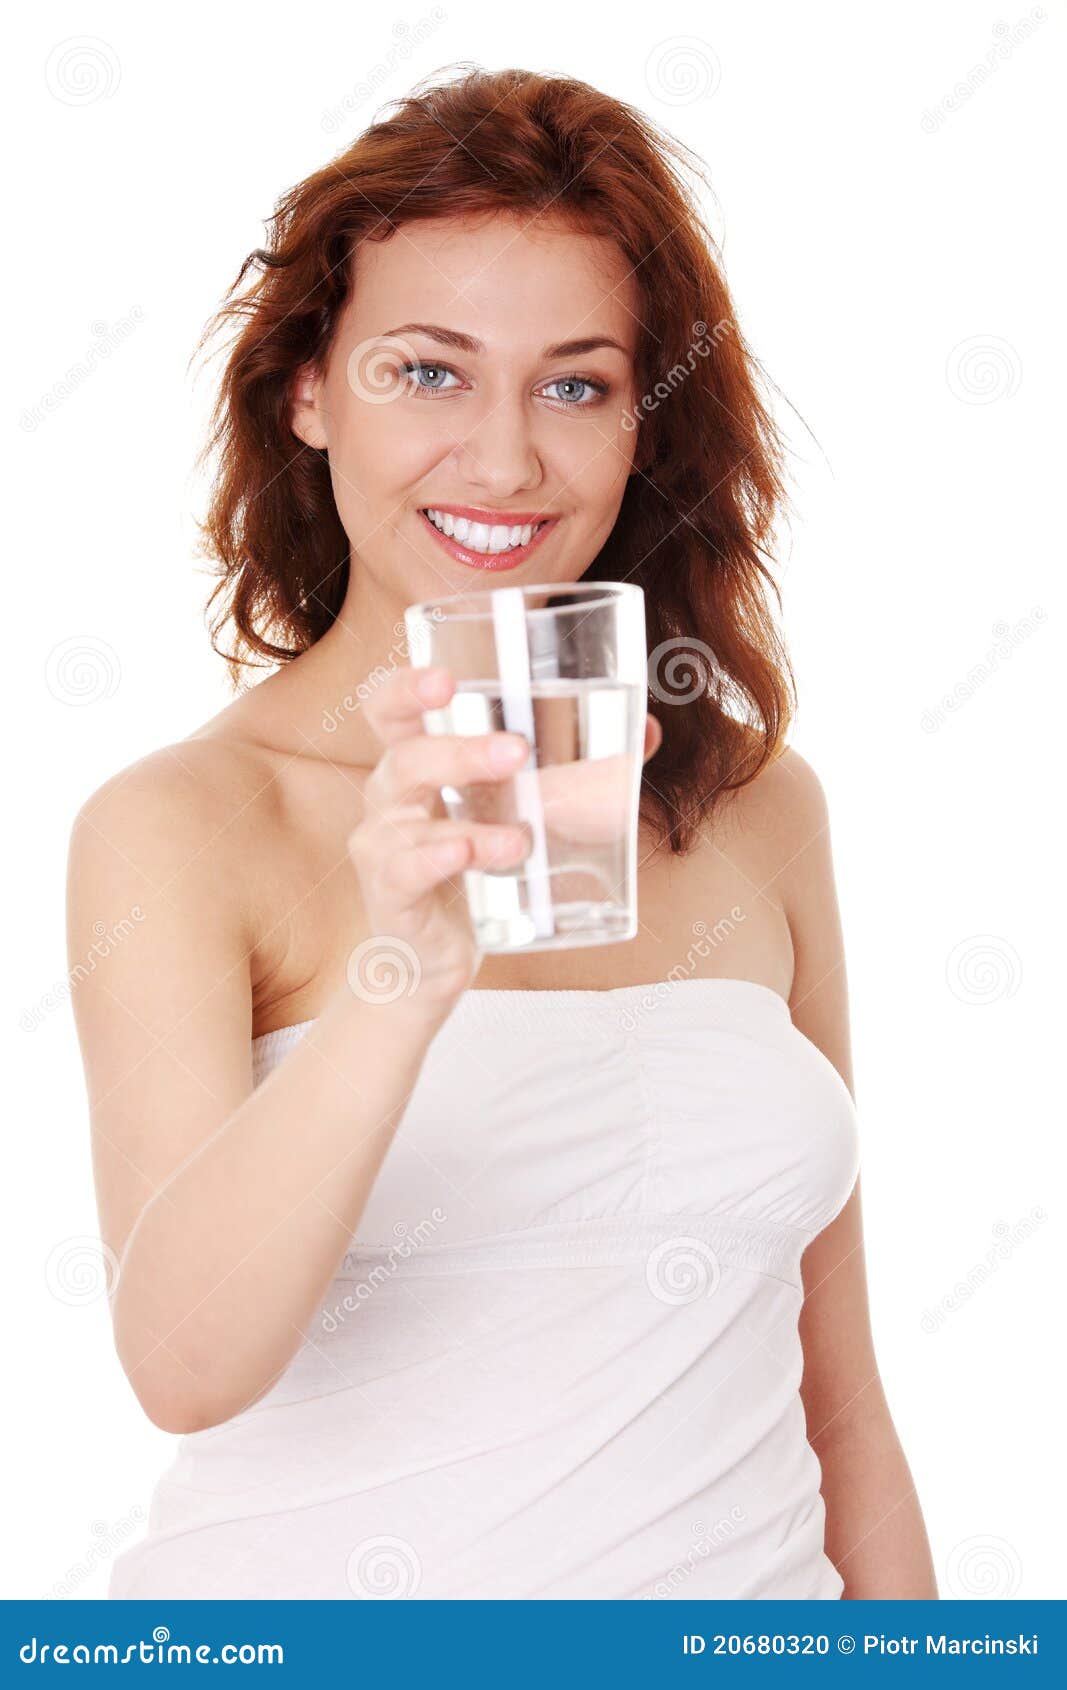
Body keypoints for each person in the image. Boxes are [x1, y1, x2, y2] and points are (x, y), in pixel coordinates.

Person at [67, 66, 936, 1600]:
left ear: (643, 419)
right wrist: (402, 978)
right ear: (309, 390)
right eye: (428, 372)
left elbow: (841, 1397)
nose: (507, 459)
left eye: (576, 384)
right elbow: (184, 1364)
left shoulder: (757, 804)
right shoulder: (189, 823)